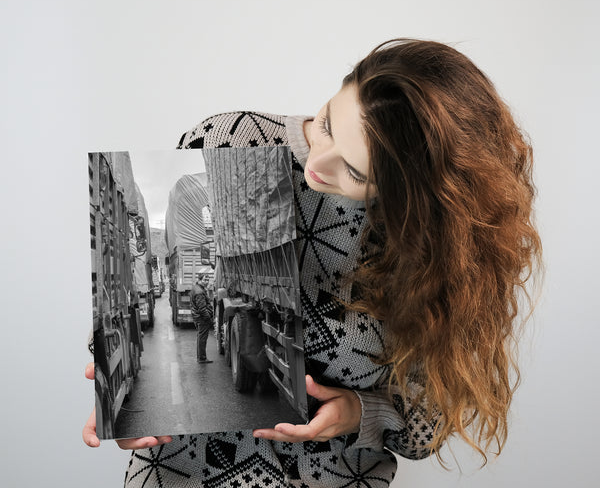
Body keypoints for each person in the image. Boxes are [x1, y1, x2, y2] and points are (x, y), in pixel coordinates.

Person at [83, 38, 542, 487]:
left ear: (413, 196)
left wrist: (360, 413)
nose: (318, 164)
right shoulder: (230, 139)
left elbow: (429, 426)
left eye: (356, 172)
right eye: (326, 123)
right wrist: (112, 389)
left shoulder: (443, 249)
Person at [191, 273, 213, 364]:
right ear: (199, 280)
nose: (206, 282)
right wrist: (209, 319)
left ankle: (200, 357)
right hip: (202, 318)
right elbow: (202, 309)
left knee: (200, 337)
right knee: (202, 338)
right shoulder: (199, 292)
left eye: (208, 280)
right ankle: (202, 358)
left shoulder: (196, 288)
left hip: (198, 317)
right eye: (204, 280)